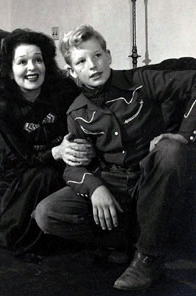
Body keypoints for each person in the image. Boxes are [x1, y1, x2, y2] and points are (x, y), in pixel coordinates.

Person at [33, 25, 196, 290]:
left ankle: (148, 257)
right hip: (114, 182)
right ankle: (129, 239)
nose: (93, 65)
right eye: (82, 61)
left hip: (151, 176)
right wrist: (95, 187)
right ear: (72, 72)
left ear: (108, 55)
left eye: (97, 56)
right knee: (46, 213)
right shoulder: (76, 113)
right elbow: (73, 169)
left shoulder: (142, 80)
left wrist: (184, 134)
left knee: (171, 150)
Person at [0, 29, 94, 253]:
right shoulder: (2, 109)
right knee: (45, 175)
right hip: (20, 175)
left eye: (38, 60)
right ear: (9, 69)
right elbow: (21, 158)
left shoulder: (64, 91)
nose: (32, 68)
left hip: (65, 163)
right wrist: (56, 152)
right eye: (22, 62)